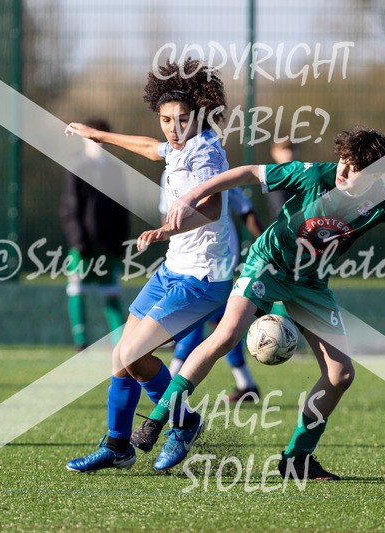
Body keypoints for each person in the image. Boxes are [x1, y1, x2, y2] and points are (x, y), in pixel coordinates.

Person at [133, 125, 385, 478]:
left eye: (356, 170)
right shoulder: (312, 173)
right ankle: (157, 421)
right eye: (345, 164)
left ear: (374, 175)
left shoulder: (383, 200)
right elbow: (245, 173)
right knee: (225, 336)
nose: (345, 173)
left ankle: (297, 459)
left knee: (340, 375)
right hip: (267, 264)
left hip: (310, 285)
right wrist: (189, 197)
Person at [62, 58, 233, 473]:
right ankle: (118, 445)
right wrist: (97, 134)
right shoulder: (175, 147)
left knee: (136, 354)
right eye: (165, 119)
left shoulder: (205, 152)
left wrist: (168, 230)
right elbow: (147, 146)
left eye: (182, 120)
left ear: (199, 117)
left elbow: (212, 208)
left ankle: (184, 423)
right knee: (121, 356)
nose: (173, 129)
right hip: (173, 270)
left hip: (202, 277)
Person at [163, 184, 264, 402]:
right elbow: (167, 216)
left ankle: (169, 384)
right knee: (223, 324)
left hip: (216, 260)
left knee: (196, 317)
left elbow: (247, 212)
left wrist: (270, 252)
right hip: (188, 260)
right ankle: (246, 383)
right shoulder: (170, 170)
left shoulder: (219, 172)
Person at [59, 118, 130, 352]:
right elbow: (70, 207)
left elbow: (122, 209)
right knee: (77, 290)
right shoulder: (77, 167)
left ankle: (120, 344)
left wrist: (121, 241)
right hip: (83, 245)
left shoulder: (115, 169)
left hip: (108, 245)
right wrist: (78, 240)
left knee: (111, 294)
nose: (97, 143)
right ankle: (81, 341)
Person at [266, 138, 295, 218]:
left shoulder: (303, 173)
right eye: (283, 149)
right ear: (274, 153)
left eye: (291, 149)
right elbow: (280, 210)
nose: (289, 153)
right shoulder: (273, 177)